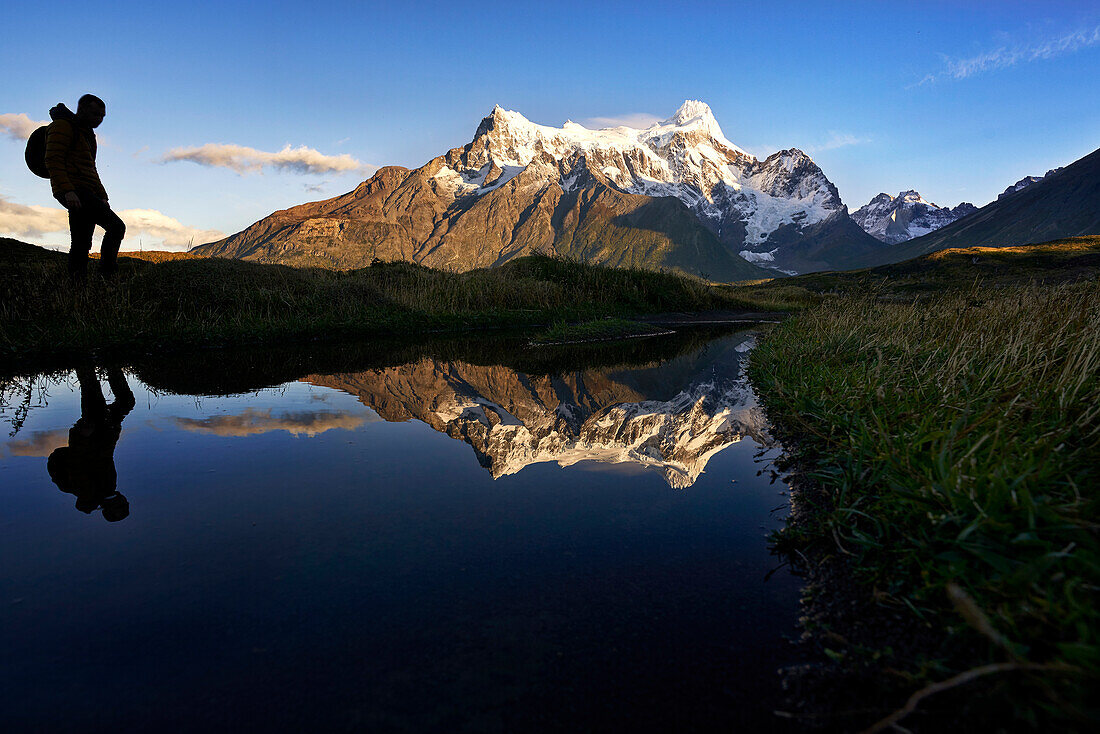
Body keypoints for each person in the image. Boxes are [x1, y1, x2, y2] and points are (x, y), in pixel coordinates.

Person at [44, 94, 125, 279]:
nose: (99, 119)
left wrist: (102, 195)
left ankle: (77, 284)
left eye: (102, 116)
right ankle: (107, 275)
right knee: (117, 227)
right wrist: (67, 191)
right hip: (75, 190)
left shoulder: (86, 134)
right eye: (96, 114)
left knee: (81, 241)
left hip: (86, 191)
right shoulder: (62, 126)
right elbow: (53, 159)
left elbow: (90, 168)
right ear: (81, 109)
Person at [47, 366, 136, 521]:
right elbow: (107, 456)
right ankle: (110, 362)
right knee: (126, 402)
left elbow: (77, 462)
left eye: (123, 505)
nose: (126, 501)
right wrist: (115, 428)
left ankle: (85, 359)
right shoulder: (108, 488)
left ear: (112, 507)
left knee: (93, 392)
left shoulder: (88, 492)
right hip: (101, 435)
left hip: (88, 436)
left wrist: (83, 436)